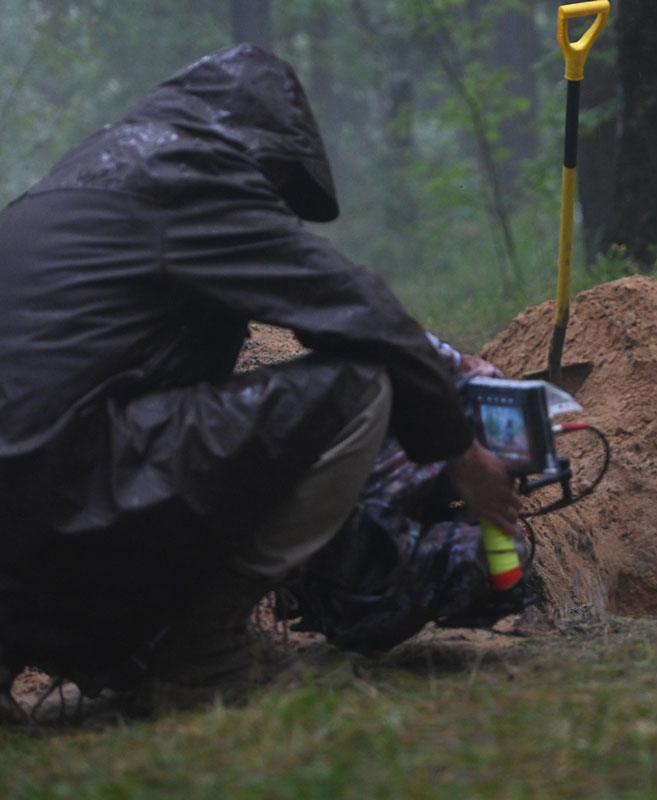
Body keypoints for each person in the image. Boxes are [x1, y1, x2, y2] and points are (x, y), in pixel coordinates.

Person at [0, 44, 520, 708]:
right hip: (64, 494)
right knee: (358, 387)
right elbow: (356, 310)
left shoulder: (83, 182)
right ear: (260, 145)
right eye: (280, 187)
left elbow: (170, 355)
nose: (280, 209)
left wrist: (442, 358)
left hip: (24, 514)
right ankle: (199, 652)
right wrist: (460, 450)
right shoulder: (189, 173)